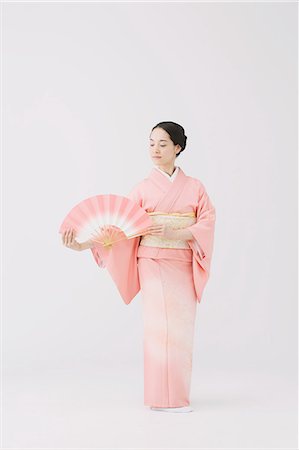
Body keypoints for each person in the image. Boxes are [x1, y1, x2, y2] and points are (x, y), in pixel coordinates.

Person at [62, 121, 216, 413]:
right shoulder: (143, 189)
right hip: (152, 262)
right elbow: (119, 228)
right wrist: (82, 244)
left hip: (181, 262)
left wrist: (177, 234)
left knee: (181, 329)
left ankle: (179, 397)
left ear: (178, 148)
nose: (155, 150)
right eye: (151, 143)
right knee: (158, 329)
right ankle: (160, 397)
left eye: (162, 144)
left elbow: (207, 223)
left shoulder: (195, 188)